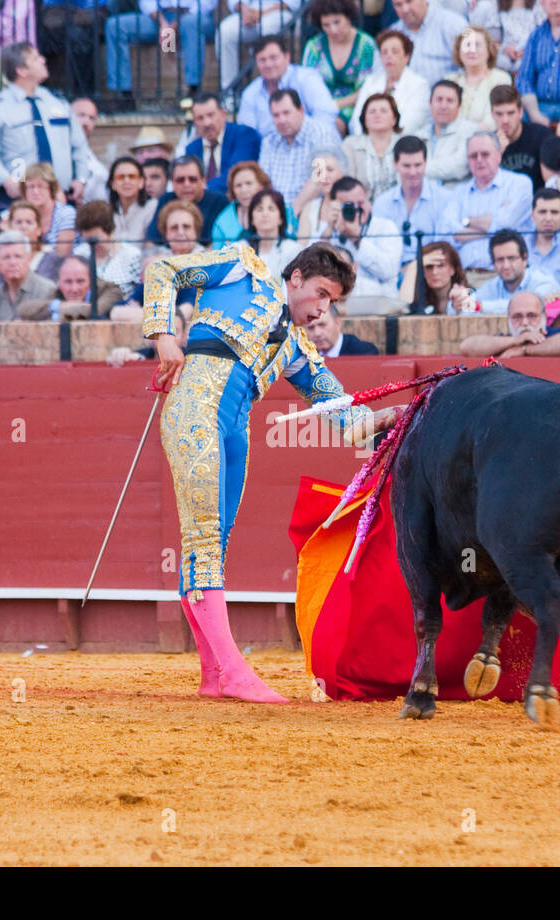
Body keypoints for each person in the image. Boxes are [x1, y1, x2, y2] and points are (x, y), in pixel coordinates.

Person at [144, 242, 399, 702]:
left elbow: (341, 413)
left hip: (235, 428)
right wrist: (163, 336)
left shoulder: (298, 347)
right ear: (296, 277)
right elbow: (163, 269)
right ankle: (235, 673)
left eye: (332, 302)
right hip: (195, 411)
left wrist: (386, 419)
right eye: (321, 293)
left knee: (213, 543)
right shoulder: (241, 269)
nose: (323, 309)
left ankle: (213, 676)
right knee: (204, 540)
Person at [0, 42, 93, 202]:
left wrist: (81, 178)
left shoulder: (57, 102)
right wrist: (6, 181)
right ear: (21, 70)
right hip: (20, 200)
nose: (43, 60)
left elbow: (79, 144)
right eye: (36, 58)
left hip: (60, 196)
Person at [442, 130, 533, 269]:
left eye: (485, 154)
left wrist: (466, 222)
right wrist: (491, 226)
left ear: (499, 156)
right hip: (465, 276)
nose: (479, 160)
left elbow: (505, 226)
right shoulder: (458, 192)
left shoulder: (519, 184)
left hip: (506, 275)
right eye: (473, 156)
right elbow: (448, 234)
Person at [105, 0, 216, 104]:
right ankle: (123, 94)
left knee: (189, 23)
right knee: (115, 26)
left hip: (196, 16)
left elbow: (206, 3)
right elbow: (147, 2)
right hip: (160, 16)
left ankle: (194, 91)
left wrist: (174, 26)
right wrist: (163, 24)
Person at [236, 34, 339, 139]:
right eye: (262, 60)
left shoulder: (307, 79)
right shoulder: (250, 93)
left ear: (287, 57)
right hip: (269, 151)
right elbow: (247, 134)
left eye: (273, 58)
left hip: (313, 145)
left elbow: (326, 117)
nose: (268, 64)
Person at [371, 134, 450, 268]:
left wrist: (414, 267)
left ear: (426, 163)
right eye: (406, 166)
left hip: (430, 270)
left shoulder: (444, 199)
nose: (413, 172)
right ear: (395, 165)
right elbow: (378, 247)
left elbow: (443, 247)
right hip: (392, 271)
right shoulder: (382, 203)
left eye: (418, 165)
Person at [300, 0, 379, 133]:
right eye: (326, 25)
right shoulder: (314, 46)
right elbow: (307, 83)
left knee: (330, 127)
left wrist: (335, 105)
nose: (333, 30)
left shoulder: (366, 45)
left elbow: (367, 87)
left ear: (348, 18)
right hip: (318, 105)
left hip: (354, 105)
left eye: (337, 22)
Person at [321, 176, 400, 300]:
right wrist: (329, 230)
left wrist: (356, 239)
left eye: (360, 203)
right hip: (338, 304)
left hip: (380, 304)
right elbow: (313, 270)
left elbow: (389, 271)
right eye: (349, 205)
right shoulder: (329, 231)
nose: (357, 209)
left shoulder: (385, 227)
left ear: (368, 201)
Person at [258, 89, 342, 204]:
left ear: (301, 110)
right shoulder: (269, 141)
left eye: (286, 113)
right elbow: (263, 183)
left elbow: (320, 179)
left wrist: (291, 214)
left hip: (313, 209)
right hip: (276, 212)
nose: (281, 120)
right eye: (276, 115)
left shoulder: (321, 134)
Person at [350, 29, 429, 139]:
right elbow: (357, 119)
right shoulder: (370, 82)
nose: (389, 56)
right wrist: (366, 140)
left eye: (395, 51)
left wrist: (383, 141)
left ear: (407, 56)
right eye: (384, 52)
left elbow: (410, 124)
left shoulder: (420, 85)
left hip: (403, 145)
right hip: (367, 142)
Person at [218, 0, 304, 100]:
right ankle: (229, 93)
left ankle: (268, 90)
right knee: (226, 30)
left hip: (282, 12)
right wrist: (244, 11)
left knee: (266, 25)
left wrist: (261, 13)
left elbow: (293, 3)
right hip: (250, 12)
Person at [459, 290, 560, 355]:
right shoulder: (505, 341)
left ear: (543, 317)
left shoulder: (555, 335)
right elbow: (466, 346)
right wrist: (516, 340)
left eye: (531, 316)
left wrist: (525, 349)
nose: (524, 322)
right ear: (508, 319)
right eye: (517, 316)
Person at [183, 92, 262, 195]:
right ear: (195, 122)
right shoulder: (192, 149)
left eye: (211, 115)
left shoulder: (244, 136)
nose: (207, 123)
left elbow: (236, 174)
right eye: (200, 118)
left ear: (223, 114)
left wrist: (202, 189)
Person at [143, 155, 229, 247]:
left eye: (192, 179)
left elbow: (220, 244)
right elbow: (151, 242)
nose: (186, 184)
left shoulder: (219, 202)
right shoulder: (165, 200)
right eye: (180, 180)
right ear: (172, 183)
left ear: (203, 181)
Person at [472, 227, 559, 313]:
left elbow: (525, 306)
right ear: (494, 264)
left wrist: (481, 306)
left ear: (525, 259)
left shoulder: (543, 282)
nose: (506, 266)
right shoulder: (490, 287)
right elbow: (470, 308)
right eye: (500, 260)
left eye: (511, 258)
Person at [0, 229, 56, 323]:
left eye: (18, 256)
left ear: (29, 258)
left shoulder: (47, 291)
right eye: (6, 257)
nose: (13, 262)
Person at [387, 0, 468, 86]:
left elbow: (472, 68)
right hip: (406, 96)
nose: (405, 9)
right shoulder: (392, 34)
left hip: (447, 95)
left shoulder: (453, 24)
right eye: (398, 5)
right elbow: (380, 75)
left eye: (409, 1)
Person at [445, 26, 511, 131]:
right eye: (467, 45)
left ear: (489, 49)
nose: (471, 50)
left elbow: (494, 120)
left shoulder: (501, 79)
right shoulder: (450, 80)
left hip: (485, 140)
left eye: (477, 45)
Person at [491, 83, 549, 192]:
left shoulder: (541, 135)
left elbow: (552, 180)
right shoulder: (487, 144)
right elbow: (484, 184)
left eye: (510, 113)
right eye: (499, 114)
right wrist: (497, 153)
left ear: (520, 112)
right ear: (492, 115)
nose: (505, 120)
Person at [342, 93, 401, 198]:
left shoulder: (406, 142)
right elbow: (347, 185)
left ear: (394, 119)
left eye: (383, 111)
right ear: (364, 119)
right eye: (372, 111)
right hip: (363, 210)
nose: (377, 115)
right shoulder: (350, 145)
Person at [423, 79, 477, 187]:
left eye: (450, 101)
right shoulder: (419, 135)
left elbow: (459, 168)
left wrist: (420, 168)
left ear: (459, 106)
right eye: (439, 100)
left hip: (456, 198)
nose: (443, 106)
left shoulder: (471, 131)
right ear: (430, 103)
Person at [20, 160, 76, 258]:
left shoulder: (66, 213)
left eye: (40, 186)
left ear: (51, 189)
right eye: (31, 187)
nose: (35, 192)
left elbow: (61, 255)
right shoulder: (19, 214)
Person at [211, 160, 271, 248]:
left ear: (261, 185)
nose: (244, 190)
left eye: (249, 183)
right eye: (238, 185)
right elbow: (216, 254)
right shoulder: (223, 220)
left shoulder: (277, 209)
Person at [243, 187, 301, 275]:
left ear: (281, 218)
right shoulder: (242, 249)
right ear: (252, 219)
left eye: (271, 209)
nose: (265, 214)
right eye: (259, 209)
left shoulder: (293, 250)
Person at [401, 239, 469, 314]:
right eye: (429, 266)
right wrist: (413, 266)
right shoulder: (417, 298)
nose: (434, 272)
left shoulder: (465, 293)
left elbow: (472, 313)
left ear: (452, 269)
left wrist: (460, 304)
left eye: (440, 265)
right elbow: (403, 311)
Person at [470, 0, 540, 73]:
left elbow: (542, 34)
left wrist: (526, 50)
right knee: (501, 62)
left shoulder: (538, 4)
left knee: (524, 64)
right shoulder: (496, 4)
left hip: (531, 48)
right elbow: (493, 41)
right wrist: (505, 49)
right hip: (505, 50)